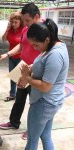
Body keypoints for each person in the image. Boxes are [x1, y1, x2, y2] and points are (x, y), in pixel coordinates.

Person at [20, 19, 69, 150]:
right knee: (45, 135)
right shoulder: (52, 46)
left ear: (47, 39)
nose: (35, 48)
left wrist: (27, 78)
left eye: (36, 45)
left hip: (44, 102)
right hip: (49, 101)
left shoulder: (55, 54)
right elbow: (45, 65)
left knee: (32, 140)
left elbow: (46, 86)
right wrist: (33, 67)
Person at [0, 3, 41, 139]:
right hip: (23, 67)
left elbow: (46, 54)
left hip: (36, 71)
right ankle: (14, 122)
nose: (26, 24)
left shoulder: (45, 29)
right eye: (24, 21)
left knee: (34, 103)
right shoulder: (26, 29)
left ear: (37, 17)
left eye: (28, 21)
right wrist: (8, 54)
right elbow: (21, 46)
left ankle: (32, 130)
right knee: (19, 98)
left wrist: (29, 72)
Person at [2, 11, 24, 102]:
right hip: (11, 56)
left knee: (18, 77)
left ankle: (20, 95)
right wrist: (7, 29)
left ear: (20, 22)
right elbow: (3, 39)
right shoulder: (10, 29)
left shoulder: (23, 30)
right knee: (12, 76)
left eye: (16, 22)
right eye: (12, 22)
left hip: (20, 57)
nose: (14, 24)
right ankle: (12, 94)